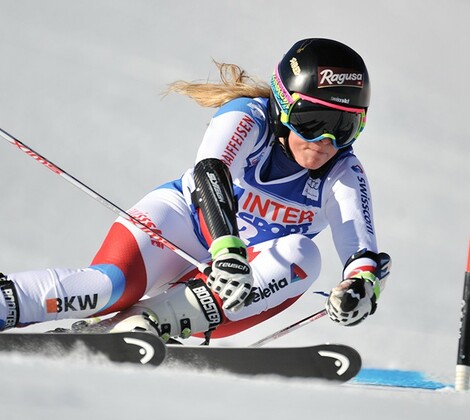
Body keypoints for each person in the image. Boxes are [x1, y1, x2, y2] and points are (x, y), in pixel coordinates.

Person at [0, 38, 391, 341]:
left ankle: (143, 326)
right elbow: (211, 172)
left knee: (303, 256)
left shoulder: (342, 170)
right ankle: (7, 301)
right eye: (313, 120)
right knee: (106, 285)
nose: (325, 140)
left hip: (238, 277)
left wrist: (360, 286)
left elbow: (359, 247)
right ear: (283, 107)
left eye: (344, 127)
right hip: (182, 222)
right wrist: (226, 249)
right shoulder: (247, 117)